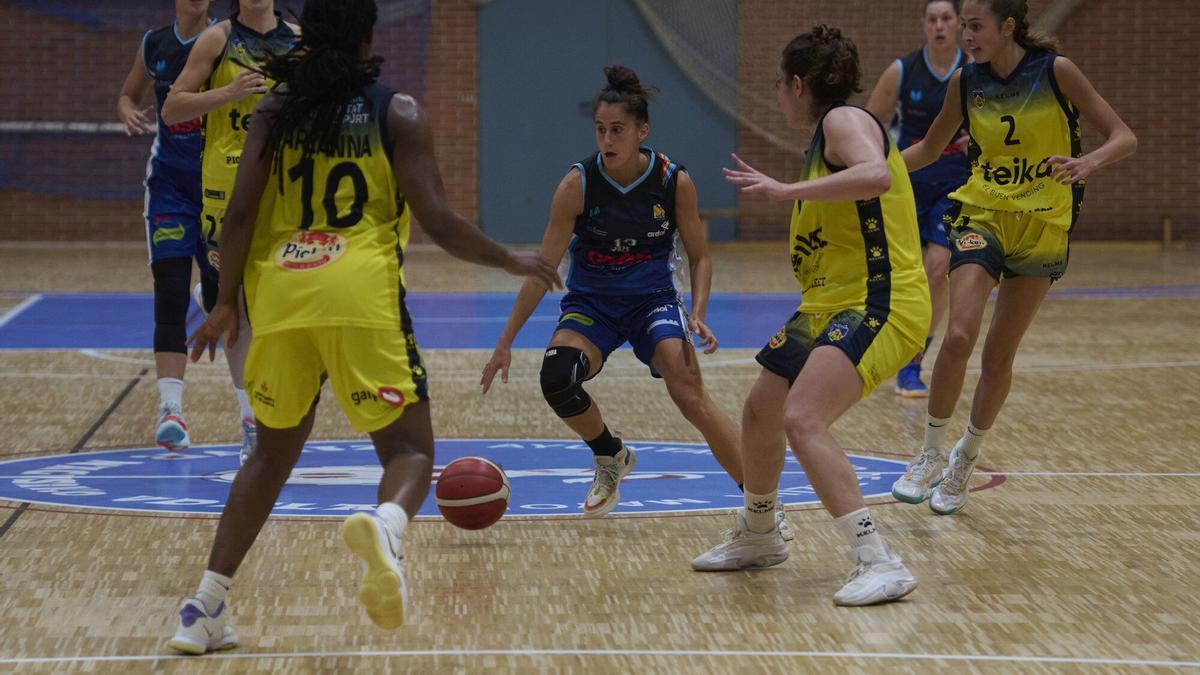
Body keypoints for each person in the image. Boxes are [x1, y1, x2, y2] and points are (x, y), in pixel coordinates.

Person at [166, 0, 560, 654]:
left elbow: (238, 215)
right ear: (369, 36)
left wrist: (226, 301)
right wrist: (508, 257)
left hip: (281, 291)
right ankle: (387, 524)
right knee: (409, 451)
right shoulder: (396, 111)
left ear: (308, 33)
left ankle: (203, 606)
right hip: (359, 289)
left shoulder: (273, 110)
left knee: (268, 454)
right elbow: (436, 220)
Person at [480, 66, 790, 535]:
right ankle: (610, 454)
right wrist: (505, 342)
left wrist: (699, 313)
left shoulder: (673, 182)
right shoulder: (577, 185)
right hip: (593, 304)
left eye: (618, 129)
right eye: (601, 129)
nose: (608, 138)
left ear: (642, 131)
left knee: (690, 395)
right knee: (557, 377)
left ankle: (764, 510)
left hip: (653, 301)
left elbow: (701, 256)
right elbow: (543, 269)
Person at [690, 26, 931, 607]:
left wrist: (782, 189)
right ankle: (760, 533)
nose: (779, 93)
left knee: (802, 418)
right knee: (761, 409)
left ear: (798, 84)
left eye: (780, 83)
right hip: (826, 304)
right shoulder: (827, 138)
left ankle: (879, 558)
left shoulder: (841, 123)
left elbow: (876, 174)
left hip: (881, 300)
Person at [890, 0, 1136, 513]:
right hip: (982, 215)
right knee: (958, 334)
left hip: (1044, 224)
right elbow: (930, 148)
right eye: (963, 27)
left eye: (975, 27)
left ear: (1007, 26)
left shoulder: (1056, 72)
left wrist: (1086, 162)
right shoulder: (965, 81)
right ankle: (930, 452)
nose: (967, 37)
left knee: (998, 356)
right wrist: (872, 171)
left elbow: (1123, 137)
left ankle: (965, 457)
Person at [161, 0, 298, 463]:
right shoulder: (218, 38)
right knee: (236, 308)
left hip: (284, 187)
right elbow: (172, 106)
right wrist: (228, 94)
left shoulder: (297, 41)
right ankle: (251, 423)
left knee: (283, 304)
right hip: (227, 188)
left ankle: (217, 297)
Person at [116, 0, 217, 450]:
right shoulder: (153, 43)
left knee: (223, 298)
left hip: (220, 181)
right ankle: (170, 410)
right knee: (171, 293)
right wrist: (125, 111)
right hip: (170, 186)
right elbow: (127, 94)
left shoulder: (226, 41)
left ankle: (253, 418)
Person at [866, 0, 969, 399]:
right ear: (924, 25)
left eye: (947, 19)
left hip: (954, 185)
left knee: (937, 267)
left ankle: (912, 366)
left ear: (959, 25)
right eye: (932, 19)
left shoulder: (974, 73)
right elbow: (868, 126)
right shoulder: (902, 70)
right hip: (906, 181)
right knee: (901, 275)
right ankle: (885, 347)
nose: (939, 26)